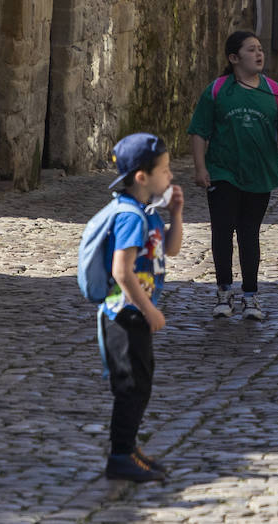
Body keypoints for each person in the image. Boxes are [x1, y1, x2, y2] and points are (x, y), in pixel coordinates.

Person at [188, 31, 278, 321]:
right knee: (223, 231)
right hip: (223, 172)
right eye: (251, 50)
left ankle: (251, 295)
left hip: (260, 174)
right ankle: (224, 292)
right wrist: (200, 167)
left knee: (250, 234)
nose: (259, 54)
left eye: (260, 49)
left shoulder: (276, 92)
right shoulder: (217, 90)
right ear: (234, 58)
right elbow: (199, 131)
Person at [98, 133, 183, 482]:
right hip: (125, 316)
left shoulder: (145, 213)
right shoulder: (130, 217)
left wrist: (176, 213)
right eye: (164, 170)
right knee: (131, 386)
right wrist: (149, 310)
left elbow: (172, 249)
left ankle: (130, 449)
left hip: (135, 314)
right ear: (141, 177)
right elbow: (121, 270)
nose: (170, 176)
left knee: (141, 382)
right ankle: (120, 455)